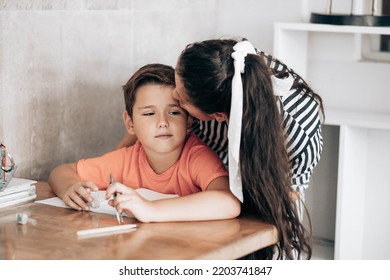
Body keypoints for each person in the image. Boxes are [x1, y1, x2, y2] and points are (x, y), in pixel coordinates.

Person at [118, 38, 324, 260]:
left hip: (264, 199)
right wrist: (117, 158)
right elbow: (144, 129)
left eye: (182, 102)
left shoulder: (297, 132)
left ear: (217, 117)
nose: (175, 97)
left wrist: (154, 211)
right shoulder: (224, 66)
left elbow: (286, 195)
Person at [48, 63, 240, 223]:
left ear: (189, 121)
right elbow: (62, 171)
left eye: (174, 112)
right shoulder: (126, 159)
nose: (162, 122)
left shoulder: (196, 156)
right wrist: (70, 188)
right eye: (149, 113)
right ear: (130, 123)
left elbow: (229, 202)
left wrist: (150, 210)